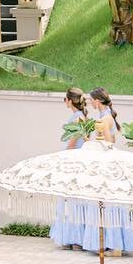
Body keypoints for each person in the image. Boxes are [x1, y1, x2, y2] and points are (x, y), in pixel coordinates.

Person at [81, 89, 133, 255]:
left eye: (91, 100)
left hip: (105, 164)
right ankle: (113, 242)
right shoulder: (107, 117)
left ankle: (113, 244)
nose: (90, 103)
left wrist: (88, 141)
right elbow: (112, 139)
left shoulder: (105, 118)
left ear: (98, 101)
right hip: (108, 162)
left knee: (105, 203)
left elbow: (107, 143)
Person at [49, 90, 91, 250]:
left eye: (65, 98)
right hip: (77, 159)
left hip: (75, 161)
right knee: (71, 199)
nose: (64, 101)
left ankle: (76, 238)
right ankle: (72, 236)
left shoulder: (79, 117)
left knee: (73, 199)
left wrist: (63, 156)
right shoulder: (79, 116)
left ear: (69, 100)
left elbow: (73, 141)